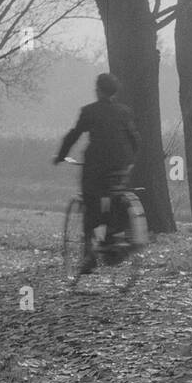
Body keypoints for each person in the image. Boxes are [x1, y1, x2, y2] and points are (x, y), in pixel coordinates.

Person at [54, 73, 140, 274]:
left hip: (97, 164)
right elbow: (135, 139)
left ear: (98, 90)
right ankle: (114, 234)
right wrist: (130, 160)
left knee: (90, 199)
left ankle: (89, 253)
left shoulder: (89, 111)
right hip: (120, 163)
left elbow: (74, 135)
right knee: (115, 195)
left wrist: (61, 156)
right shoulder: (124, 111)